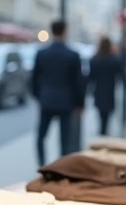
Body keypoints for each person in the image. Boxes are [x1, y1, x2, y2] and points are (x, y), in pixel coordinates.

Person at [32, 20, 86, 166]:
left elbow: (34, 79)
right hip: (66, 101)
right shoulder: (72, 55)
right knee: (65, 139)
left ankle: (42, 164)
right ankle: (62, 166)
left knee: (41, 136)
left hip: (47, 99)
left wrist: (39, 96)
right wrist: (80, 103)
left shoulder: (42, 53)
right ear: (65, 31)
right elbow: (78, 82)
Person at [88, 37, 123, 136]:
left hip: (98, 89)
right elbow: (120, 73)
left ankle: (102, 129)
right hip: (110, 89)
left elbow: (91, 76)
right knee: (107, 113)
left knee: (101, 112)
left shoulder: (95, 59)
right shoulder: (114, 60)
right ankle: (104, 129)